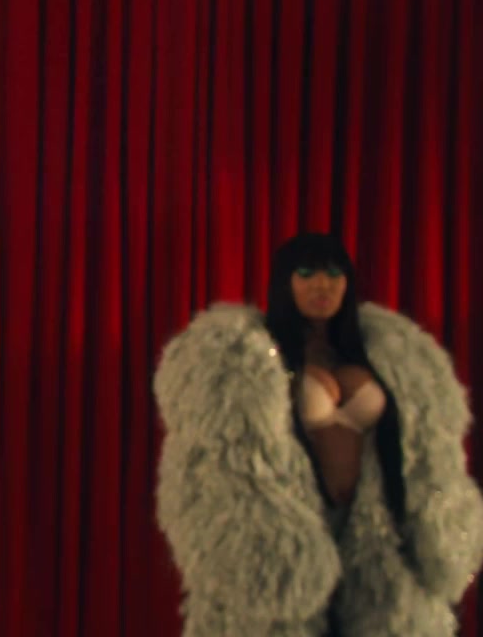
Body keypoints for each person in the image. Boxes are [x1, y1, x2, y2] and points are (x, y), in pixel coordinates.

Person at [154, 233, 483, 636]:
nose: (322, 285)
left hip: (374, 536)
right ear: (285, 281)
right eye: (307, 272)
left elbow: (427, 451)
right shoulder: (251, 358)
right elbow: (222, 465)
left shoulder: (385, 355)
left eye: (333, 273)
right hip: (293, 534)